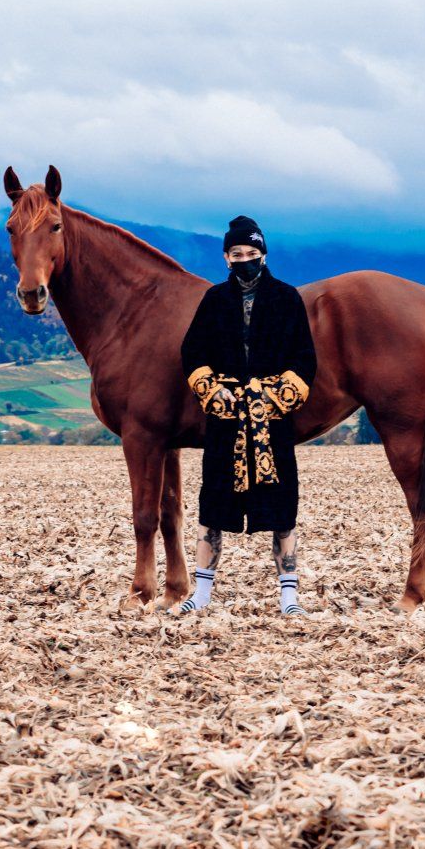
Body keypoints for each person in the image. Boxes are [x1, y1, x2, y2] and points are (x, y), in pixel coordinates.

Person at [176, 216, 318, 615]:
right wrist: (212, 390)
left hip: (272, 421)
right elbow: (192, 353)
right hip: (224, 421)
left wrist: (275, 398)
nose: (244, 259)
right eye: (236, 254)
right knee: (212, 506)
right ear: (226, 258)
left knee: (283, 508)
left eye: (251, 253)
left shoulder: (287, 298)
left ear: (264, 254)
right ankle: (201, 595)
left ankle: (289, 598)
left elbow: (305, 359)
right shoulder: (213, 300)